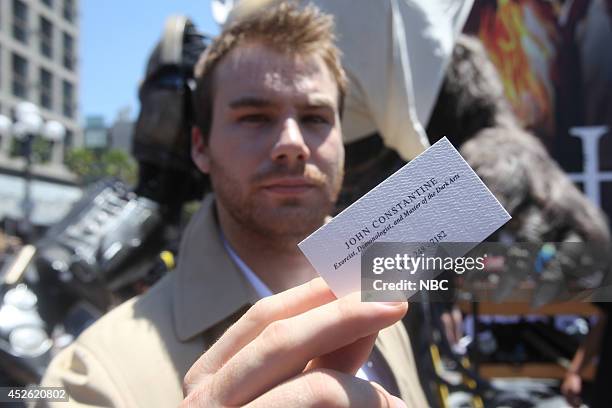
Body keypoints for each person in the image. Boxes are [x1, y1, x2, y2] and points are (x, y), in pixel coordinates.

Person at [39, 3, 428, 407]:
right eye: (256, 117)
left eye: (315, 118)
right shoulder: (93, 375)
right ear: (201, 147)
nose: (292, 143)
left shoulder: (379, 282)